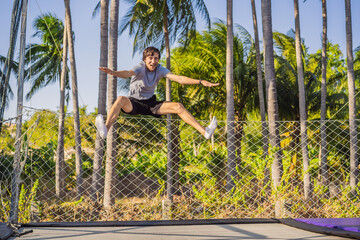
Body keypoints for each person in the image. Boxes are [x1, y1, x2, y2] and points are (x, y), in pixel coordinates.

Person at [95, 46, 219, 140]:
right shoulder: (140, 67)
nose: (153, 61)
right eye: (150, 58)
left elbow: (179, 79)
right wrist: (113, 73)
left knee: (178, 107)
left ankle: (205, 132)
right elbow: (127, 73)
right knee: (121, 99)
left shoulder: (160, 69)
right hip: (134, 103)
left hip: (151, 104)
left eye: (156, 58)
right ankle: (105, 129)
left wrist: (200, 81)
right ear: (145, 59)